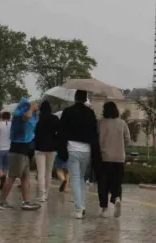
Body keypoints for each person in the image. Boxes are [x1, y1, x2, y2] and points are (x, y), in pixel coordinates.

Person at [58, 90, 100, 219]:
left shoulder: (67, 112)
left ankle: (78, 209)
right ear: (85, 98)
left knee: (75, 178)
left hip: (72, 148)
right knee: (81, 178)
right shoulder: (90, 113)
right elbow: (94, 132)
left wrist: (61, 149)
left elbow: (62, 131)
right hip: (86, 150)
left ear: (75, 98)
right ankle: (82, 205)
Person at [0, 98, 41, 210]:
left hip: (24, 151)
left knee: (25, 177)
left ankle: (26, 201)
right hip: (18, 150)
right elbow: (27, 116)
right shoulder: (20, 116)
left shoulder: (22, 116)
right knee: (12, 176)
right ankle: (1, 202)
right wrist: (31, 107)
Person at [97, 102, 131, 218]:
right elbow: (128, 140)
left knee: (103, 184)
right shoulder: (122, 123)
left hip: (104, 157)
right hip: (119, 158)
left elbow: (97, 139)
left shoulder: (101, 123)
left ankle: (104, 208)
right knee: (117, 182)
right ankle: (117, 198)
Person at [34, 100, 59, 202]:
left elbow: (35, 132)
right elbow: (59, 130)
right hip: (52, 148)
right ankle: (47, 193)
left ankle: (41, 194)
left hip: (40, 148)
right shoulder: (55, 118)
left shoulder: (39, 119)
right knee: (48, 172)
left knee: (41, 173)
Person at [0, 111, 12, 191]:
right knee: (5, 167)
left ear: (2, 116)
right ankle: (3, 183)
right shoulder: (12, 125)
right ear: (9, 117)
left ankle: (2, 177)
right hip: (9, 148)